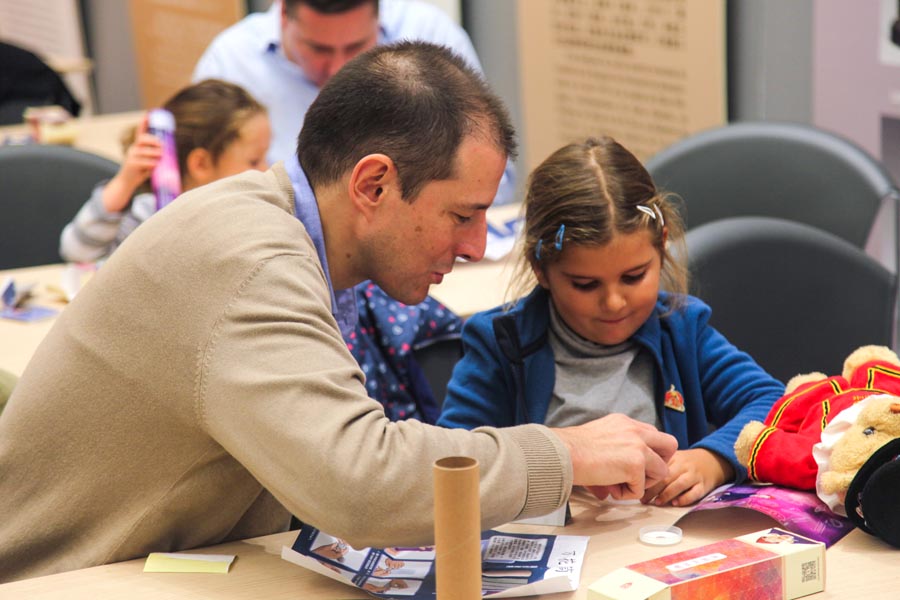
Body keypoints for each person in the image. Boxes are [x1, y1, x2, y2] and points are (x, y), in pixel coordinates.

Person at [0, 42, 676, 583]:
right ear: (373, 183)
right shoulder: (252, 263)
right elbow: (362, 481)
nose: (476, 246)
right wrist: (562, 452)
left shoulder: (269, 223)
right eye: (461, 215)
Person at [438, 136, 785, 508]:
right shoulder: (500, 344)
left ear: (661, 245)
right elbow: (453, 459)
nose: (614, 302)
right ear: (542, 270)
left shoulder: (682, 328)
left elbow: (773, 402)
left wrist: (714, 459)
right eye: (585, 285)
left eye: (634, 276)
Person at [192, 0, 515, 204]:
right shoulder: (231, 61)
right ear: (283, 16)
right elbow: (197, 189)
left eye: (356, 46)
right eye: (318, 49)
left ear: (379, 15)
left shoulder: (430, 34)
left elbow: (494, 182)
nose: (337, 70)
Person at [58, 79, 271, 263]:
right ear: (201, 164)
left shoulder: (256, 214)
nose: (266, 170)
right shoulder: (150, 216)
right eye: (254, 161)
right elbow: (77, 252)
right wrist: (124, 182)